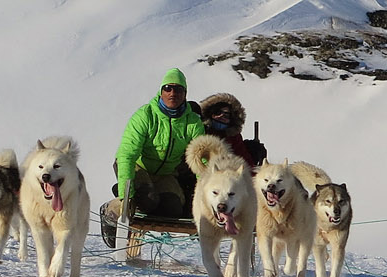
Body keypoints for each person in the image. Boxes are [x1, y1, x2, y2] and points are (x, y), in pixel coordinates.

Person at [100, 67, 204, 247]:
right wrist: (126, 195)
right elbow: (126, 155)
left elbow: (201, 159)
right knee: (146, 200)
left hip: (165, 173)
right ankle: (112, 210)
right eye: (168, 88)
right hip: (137, 166)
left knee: (173, 208)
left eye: (178, 89)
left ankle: (144, 199)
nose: (172, 93)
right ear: (161, 91)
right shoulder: (145, 115)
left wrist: (205, 194)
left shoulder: (193, 122)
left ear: (185, 94)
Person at [199, 92, 266, 167]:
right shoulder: (200, 131)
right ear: (210, 114)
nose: (221, 116)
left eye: (226, 115)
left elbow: (246, 164)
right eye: (217, 112)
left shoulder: (234, 138)